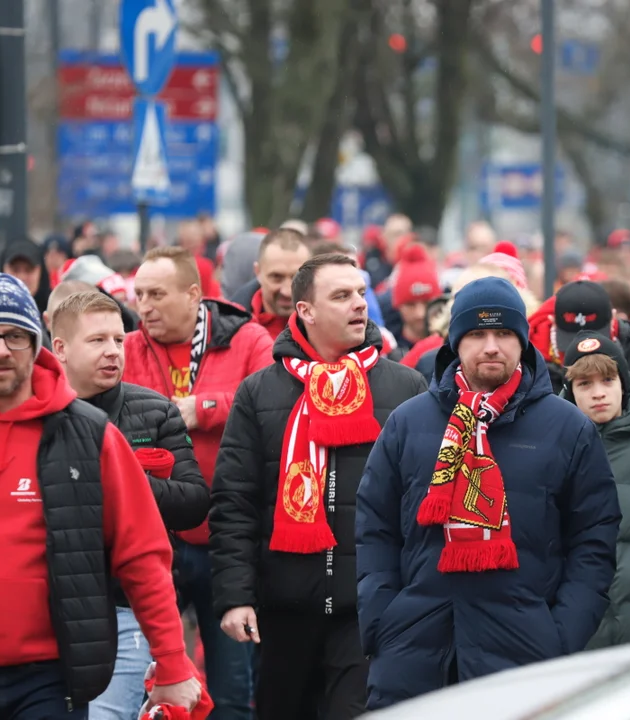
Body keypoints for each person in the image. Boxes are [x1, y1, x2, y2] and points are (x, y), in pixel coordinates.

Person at [0, 274, 200, 719]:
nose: (0, 349)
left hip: (49, 682)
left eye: (15, 336)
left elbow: (143, 555)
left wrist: (172, 662)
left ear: (37, 344)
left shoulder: (91, 435)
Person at [356, 276, 620, 709]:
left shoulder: (568, 427)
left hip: (526, 657)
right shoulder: (408, 423)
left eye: (503, 333)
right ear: (456, 342)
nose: (491, 346)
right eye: (477, 334)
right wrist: (385, 622)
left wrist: (560, 636)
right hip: (414, 653)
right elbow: (375, 528)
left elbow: (594, 538)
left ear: (523, 341)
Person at [209, 253, 425, 719]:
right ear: (305, 311)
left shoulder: (405, 387)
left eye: (362, 294)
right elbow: (234, 503)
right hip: (283, 610)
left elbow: (421, 501)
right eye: (341, 296)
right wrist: (236, 596)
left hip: (370, 612)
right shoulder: (259, 392)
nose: (359, 306)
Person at [124, 246, 273, 719]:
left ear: (193, 295)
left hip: (225, 541)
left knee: (231, 690)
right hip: (152, 540)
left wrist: (204, 408)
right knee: (142, 684)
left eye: (156, 294)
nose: (144, 306)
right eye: (139, 294)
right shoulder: (126, 348)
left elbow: (269, 400)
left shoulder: (247, 339)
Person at [49, 289, 210, 719]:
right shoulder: (35, 416)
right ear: (59, 349)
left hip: (128, 609)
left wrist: (124, 481)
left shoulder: (154, 410)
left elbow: (194, 503)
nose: (112, 352)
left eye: (119, 340)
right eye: (97, 340)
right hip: (47, 610)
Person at [562, 331, 630, 647]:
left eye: (608, 380)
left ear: (624, 384)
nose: (598, 393)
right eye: (585, 384)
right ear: (570, 391)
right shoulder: (555, 450)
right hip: (580, 629)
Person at [540, 281, 630, 421]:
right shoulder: (537, 366)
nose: (584, 349)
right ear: (553, 323)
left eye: (608, 379)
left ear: (614, 318)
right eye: (571, 339)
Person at [245, 228, 311, 340]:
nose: (287, 291)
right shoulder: (230, 330)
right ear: (258, 272)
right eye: (276, 277)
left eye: (298, 278)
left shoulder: (330, 327)